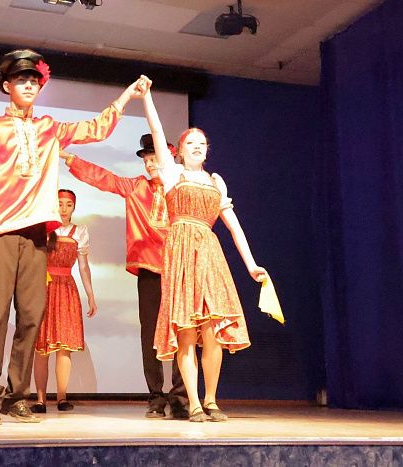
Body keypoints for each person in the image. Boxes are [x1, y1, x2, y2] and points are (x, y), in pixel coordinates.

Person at [0, 48, 146, 425]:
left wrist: (126, 97)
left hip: (37, 233)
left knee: (32, 315)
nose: (29, 86)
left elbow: (96, 129)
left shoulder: (49, 127)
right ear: (6, 85)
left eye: (34, 81)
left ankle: (17, 396)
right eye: (21, 80)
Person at [140, 77, 267, 422]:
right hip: (181, 252)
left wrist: (251, 265)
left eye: (202, 143)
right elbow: (156, 129)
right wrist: (147, 96)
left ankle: (211, 400)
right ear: (179, 150)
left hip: (209, 253)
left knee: (212, 332)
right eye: (190, 143)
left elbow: (234, 226)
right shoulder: (171, 173)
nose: (196, 147)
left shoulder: (216, 181)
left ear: (207, 150)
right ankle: (193, 403)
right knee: (186, 332)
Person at [60, 140, 189, 419]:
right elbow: (104, 178)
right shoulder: (137, 187)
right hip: (150, 270)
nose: (149, 164)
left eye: (154, 159)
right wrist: (71, 159)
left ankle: (181, 396)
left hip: (178, 268)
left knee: (182, 331)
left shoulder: (181, 189)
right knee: (150, 334)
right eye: (146, 160)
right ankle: (156, 396)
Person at [31, 189, 96, 413]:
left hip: (67, 289)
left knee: (64, 347)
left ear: (74, 207)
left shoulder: (80, 232)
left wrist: (91, 295)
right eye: (60, 203)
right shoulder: (43, 230)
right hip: (44, 287)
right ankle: (40, 399)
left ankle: (61, 397)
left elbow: (83, 267)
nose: (64, 208)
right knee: (42, 347)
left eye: (68, 204)